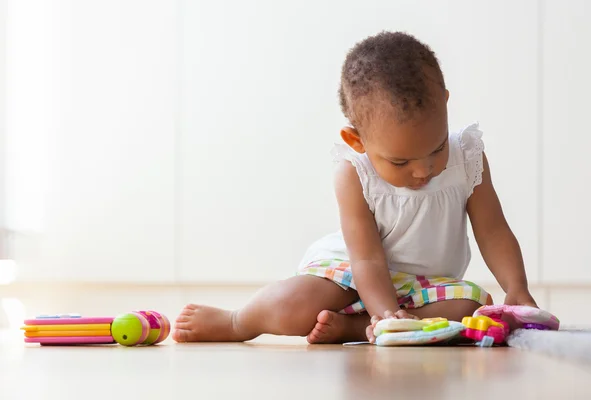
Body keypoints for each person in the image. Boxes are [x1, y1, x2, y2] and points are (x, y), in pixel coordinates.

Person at [172, 31, 538, 345]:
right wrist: (384, 311)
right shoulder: (354, 173)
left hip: (427, 285)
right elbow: (367, 258)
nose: (423, 169)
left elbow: (493, 230)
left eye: (437, 147)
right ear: (357, 140)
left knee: (469, 311)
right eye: (400, 162)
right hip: (352, 271)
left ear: (445, 102)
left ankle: (354, 328)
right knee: (295, 305)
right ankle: (238, 321)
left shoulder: (468, 157)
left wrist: (516, 287)